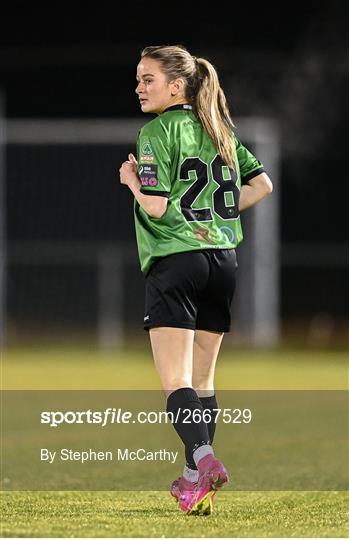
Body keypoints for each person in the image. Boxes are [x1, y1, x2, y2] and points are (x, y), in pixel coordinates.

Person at [119, 45, 273, 515]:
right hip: (222, 260)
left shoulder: (157, 131)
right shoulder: (219, 129)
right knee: (203, 381)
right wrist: (217, 220)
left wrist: (130, 180)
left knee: (175, 382)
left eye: (148, 79)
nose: (140, 87)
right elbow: (262, 185)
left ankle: (203, 460)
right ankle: (192, 481)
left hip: (177, 261)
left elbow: (158, 207)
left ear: (177, 86)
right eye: (139, 79)